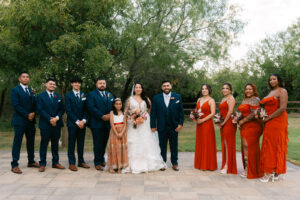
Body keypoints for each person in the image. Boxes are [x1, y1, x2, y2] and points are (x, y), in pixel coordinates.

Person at [123, 83, 166, 173]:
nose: (138, 89)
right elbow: (126, 112)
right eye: (136, 87)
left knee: (146, 141)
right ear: (134, 89)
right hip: (133, 124)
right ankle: (132, 163)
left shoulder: (146, 99)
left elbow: (149, 111)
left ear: (142, 89)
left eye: (140, 87)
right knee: (133, 142)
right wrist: (132, 118)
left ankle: (150, 163)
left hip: (144, 124)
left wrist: (143, 117)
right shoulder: (130, 100)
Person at [259, 74, 289, 182]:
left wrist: (268, 118)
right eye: (270, 79)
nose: (271, 81)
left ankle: (268, 172)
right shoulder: (270, 92)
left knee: (272, 145)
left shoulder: (282, 91)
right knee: (269, 144)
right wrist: (262, 115)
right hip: (269, 121)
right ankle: (275, 170)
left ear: (279, 80)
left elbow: (282, 108)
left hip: (277, 120)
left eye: (274, 79)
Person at [150, 80, 184, 171]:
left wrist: (180, 124)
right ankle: (163, 162)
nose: (166, 87)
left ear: (171, 86)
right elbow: (153, 113)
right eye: (164, 86)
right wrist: (153, 125)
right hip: (161, 126)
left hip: (174, 126)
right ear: (162, 88)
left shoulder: (177, 97)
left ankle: (175, 163)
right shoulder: (156, 98)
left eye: (167, 85)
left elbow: (181, 112)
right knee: (162, 145)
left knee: (174, 145)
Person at [10, 72, 39, 174]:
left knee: (31, 142)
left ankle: (31, 161)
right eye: (24, 77)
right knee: (17, 142)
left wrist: (33, 113)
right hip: (20, 121)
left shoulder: (31, 90)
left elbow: (35, 104)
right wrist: (27, 114)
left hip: (31, 121)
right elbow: (16, 105)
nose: (26, 78)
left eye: (27, 77)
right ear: (19, 79)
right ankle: (14, 164)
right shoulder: (15, 90)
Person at [37, 78, 65, 172]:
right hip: (45, 124)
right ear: (46, 85)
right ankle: (42, 163)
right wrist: (50, 119)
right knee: (44, 143)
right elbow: (40, 110)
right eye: (50, 84)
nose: (52, 85)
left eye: (54, 84)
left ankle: (55, 162)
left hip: (56, 123)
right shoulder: (40, 96)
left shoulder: (58, 96)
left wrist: (56, 118)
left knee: (55, 143)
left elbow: (62, 109)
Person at [87, 77, 114, 171]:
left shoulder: (109, 94)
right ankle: (97, 162)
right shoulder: (91, 94)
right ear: (96, 84)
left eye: (104, 83)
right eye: (100, 83)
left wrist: (110, 115)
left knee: (104, 142)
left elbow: (113, 106)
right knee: (97, 143)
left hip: (108, 123)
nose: (102, 85)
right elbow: (91, 107)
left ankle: (102, 159)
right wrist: (102, 116)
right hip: (96, 122)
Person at [238, 83, 262, 179]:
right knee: (245, 146)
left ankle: (251, 169)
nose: (248, 91)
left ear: (254, 90)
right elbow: (241, 112)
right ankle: (247, 167)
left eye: (250, 89)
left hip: (253, 125)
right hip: (244, 126)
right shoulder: (244, 100)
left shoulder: (256, 99)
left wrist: (243, 120)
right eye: (246, 89)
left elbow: (254, 113)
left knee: (248, 146)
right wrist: (237, 119)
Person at [65, 77, 90, 171]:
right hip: (72, 124)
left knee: (81, 143)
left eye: (78, 83)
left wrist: (83, 120)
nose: (77, 84)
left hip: (82, 124)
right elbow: (68, 110)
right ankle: (71, 163)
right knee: (71, 143)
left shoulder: (84, 95)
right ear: (71, 84)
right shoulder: (68, 96)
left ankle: (81, 161)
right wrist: (77, 121)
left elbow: (86, 109)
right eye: (75, 82)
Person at [193, 84, 218, 171]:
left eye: (206, 89)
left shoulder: (211, 100)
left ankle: (208, 165)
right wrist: (194, 116)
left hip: (207, 124)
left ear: (209, 90)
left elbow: (212, 113)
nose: (204, 90)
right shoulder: (199, 99)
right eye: (203, 89)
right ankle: (200, 163)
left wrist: (202, 120)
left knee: (207, 142)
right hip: (199, 124)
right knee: (200, 142)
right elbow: (196, 111)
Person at [218, 83, 237, 174]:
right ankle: (225, 164)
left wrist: (224, 122)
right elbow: (222, 111)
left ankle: (228, 166)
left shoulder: (231, 98)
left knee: (228, 144)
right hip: (223, 122)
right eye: (223, 88)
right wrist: (219, 120)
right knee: (224, 143)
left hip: (229, 122)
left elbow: (230, 112)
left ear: (230, 90)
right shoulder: (223, 99)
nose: (224, 90)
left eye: (227, 88)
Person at [107, 98, 129, 173]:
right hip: (114, 132)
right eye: (117, 104)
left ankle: (120, 166)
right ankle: (112, 166)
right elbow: (112, 124)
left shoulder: (124, 112)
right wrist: (117, 133)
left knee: (121, 149)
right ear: (114, 105)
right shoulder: (112, 112)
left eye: (120, 104)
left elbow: (125, 124)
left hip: (122, 132)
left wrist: (121, 133)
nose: (118, 105)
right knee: (114, 149)